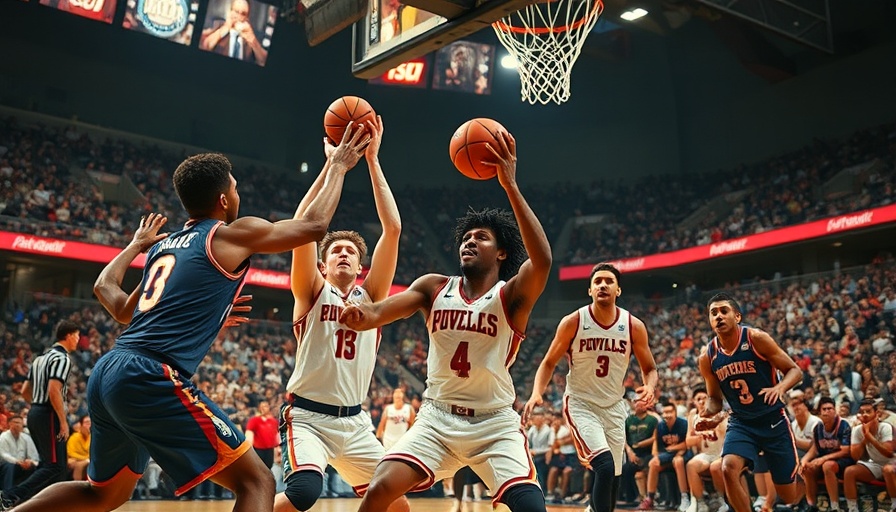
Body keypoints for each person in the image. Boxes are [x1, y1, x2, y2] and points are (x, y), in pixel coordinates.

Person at [7, 127, 370, 512]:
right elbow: (313, 227)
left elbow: (110, 296)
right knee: (257, 481)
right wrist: (338, 166)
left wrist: (135, 247)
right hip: (150, 375)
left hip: (109, 372)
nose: (238, 194)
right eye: (234, 188)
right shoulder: (230, 233)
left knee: (105, 494)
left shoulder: (164, 247)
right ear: (223, 199)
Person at [339, 130, 553, 512]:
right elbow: (378, 312)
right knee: (379, 490)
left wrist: (511, 186)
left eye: (482, 238)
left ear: (502, 252)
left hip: (494, 423)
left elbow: (543, 262)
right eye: (466, 237)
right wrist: (360, 315)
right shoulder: (433, 287)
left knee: (532, 508)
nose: (469, 241)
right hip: (437, 418)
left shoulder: (511, 296)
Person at [275, 116, 407, 512]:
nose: (345, 253)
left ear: (361, 263)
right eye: (336, 251)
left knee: (395, 503)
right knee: (303, 493)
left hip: (355, 422)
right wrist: (332, 167)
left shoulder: (373, 296)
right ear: (323, 263)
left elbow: (393, 228)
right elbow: (301, 226)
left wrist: (372, 160)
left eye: (351, 250)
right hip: (308, 417)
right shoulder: (312, 291)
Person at [523, 262, 658, 512]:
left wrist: (649, 387)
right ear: (590, 290)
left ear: (618, 290)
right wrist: (536, 393)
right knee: (604, 466)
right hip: (581, 403)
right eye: (597, 282)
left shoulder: (633, 325)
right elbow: (549, 362)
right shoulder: (574, 321)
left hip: (615, 407)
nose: (603, 285)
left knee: (614, 476)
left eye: (608, 281)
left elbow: (649, 368)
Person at [695, 293, 804, 512]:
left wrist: (779, 388)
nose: (719, 316)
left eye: (724, 311)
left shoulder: (756, 338)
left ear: (737, 316)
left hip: (773, 420)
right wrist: (706, 416)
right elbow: (715, 399)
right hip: (742, 423)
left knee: (788, 495)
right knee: (728, 468)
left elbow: (795, 370)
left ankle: (803, 489)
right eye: (713, 313)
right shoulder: (708, 357)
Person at [0, 321, 79, 509]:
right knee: (54, 466)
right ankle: (10, 495)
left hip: (37, 410)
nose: (78, 340)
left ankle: (47, 503)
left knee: (53, 465)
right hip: (49, 414)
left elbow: (26, 390)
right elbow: (54, 390)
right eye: (77, 336)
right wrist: (62, 421)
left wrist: (36, 405)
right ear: (68, 336)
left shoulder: (39, 359)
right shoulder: (62, 359)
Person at [800, 396, 853, 512]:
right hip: (826, 459)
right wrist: (803, 461)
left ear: (835, 411)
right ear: (819, 413)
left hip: (844, 461)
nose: (827, 411)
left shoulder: (844, 425)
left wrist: (824, 458)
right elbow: (814, 448)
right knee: (807, 468)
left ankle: (835, 507)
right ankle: (811, 505)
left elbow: (845, 451)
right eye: (824, 409)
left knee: (827, 466)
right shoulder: (818, 428)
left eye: (830, 409)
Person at [843, 398, 894, 512]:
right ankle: (852, 509)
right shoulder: (856, 430)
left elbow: (888, 453)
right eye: (862, 412)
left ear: (876, 413)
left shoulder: (886, 427)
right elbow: (855, 456)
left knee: (888, 469)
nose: (864, 415)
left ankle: (894, 506)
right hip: (875, 464)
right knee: (849, 472)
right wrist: (865, 439)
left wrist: (870, 437)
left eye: (868, 411)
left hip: (892, 463)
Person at [642, 402, 690, 512]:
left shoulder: (683, 424)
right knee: (652, 463)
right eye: (665, 412)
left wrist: (674, 448)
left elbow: (687, 443)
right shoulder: (660, 426)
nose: (667, 415)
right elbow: (659, 447)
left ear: (675, 413)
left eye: (670, 412)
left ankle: (684, 498)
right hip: (669, 454)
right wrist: (658, 456)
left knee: (678, 461)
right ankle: (650, 498)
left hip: (685, 452)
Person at [686, 387, 726, 512]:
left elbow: (726, 435)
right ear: (694, 402)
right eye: (699, 399)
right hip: (706, 454)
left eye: (705, 398)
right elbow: (688, 441)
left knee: (715, 467)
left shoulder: (719, 414)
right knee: (691, 465)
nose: (702, 401)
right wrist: (699, 434)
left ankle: (722, 500)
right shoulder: (693, 416)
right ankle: (700, 502)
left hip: (721, 452)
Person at [200, 0, 269, 65]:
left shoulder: (250, 36)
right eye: (236, 11)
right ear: (230, 11)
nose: (238, 16)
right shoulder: (219, 26)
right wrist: (225, 28)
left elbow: (263, 61)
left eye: (243, 14)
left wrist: (253, 41)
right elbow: (205, 46)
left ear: (247, 18)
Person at [620, 399, 658, 506]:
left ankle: (647, 497)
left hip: (647, 453)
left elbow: (655, 437)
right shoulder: (629, 420)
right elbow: (623, 438)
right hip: (632, 453)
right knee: (626, 469)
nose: (637, 404)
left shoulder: (652, 420)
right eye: (636, 402)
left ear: (646, 406)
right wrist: (629, 451)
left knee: (641, 469)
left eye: (640, 402)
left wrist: (641, 444)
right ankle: (630, 498)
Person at [0, 417, 39, 493]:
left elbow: (34, 456)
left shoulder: (26, 437)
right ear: (9, 424)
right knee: (10, 466)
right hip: (6, 465)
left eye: (20, 423)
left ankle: (30, 494)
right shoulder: (3, 437)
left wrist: (30, 462)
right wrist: (17, 461)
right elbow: (3, 454)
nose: (18, 425)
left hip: (21, 465)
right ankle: (8, 494)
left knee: (35, 467)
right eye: (16, 422)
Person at [526, 408, 554, 493]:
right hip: (533, 454)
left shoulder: (549, 429)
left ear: (543, 419)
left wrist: (536, 452)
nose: (536, 420)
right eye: (535, 418)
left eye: (539, 418)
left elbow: (550, 446)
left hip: (544, 455)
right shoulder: (532, 429)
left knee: (538, 464)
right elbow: (528, 442)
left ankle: (542, 490)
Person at [245, 401, 278, 471]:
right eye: (262, 407)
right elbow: (249, 434)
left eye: (266, 406)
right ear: (259, 408)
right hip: (259, 449)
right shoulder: (254, 420)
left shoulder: (273, 421)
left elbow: (276, 435)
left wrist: (278, 448)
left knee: (269, 467)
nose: (264, 408)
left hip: (270, 449)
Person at [66, 416, 90, 481]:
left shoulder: (92, 437)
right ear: (81, 425)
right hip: (75, 460)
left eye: (90, 423)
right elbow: (71, 453)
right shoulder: (74, 437)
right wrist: (85, 459)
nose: (89, 425)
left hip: (87, 460)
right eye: (87, 423)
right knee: (79, 465)